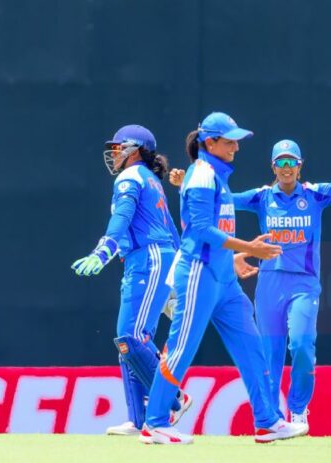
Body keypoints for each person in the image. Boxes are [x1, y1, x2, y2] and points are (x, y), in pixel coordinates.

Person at [141, 112, 307, 445]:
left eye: (236, 141)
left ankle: (268, 421)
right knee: (181, 348)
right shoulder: (203, 174)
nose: (236, 147)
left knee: (251, 345)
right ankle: (154, 423)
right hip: (198, 275)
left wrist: (233, 259)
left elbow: (214, 232)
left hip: (223, 278)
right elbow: (201, 230)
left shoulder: (214, 175)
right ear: (210, 142)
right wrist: (249, 247)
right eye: (230, 141)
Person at [228, 136, 331, 431]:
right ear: (273, 167)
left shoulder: (315, 195)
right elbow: (226, 200)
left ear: (300, 166)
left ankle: (298, 409)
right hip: (270, 285)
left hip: (304, 284)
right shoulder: (262, 198)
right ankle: (271, 419)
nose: (286, 167)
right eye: (281, 162)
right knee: (270, 354)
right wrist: (189, 188)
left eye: (291, 162)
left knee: (302, 345)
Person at [71, 125, 190, 436]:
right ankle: (138, 420)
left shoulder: (131, 176)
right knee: (131, 340)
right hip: (149, 259)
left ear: (136, 150)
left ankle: (174, 399)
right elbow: (170, 228)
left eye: (118, 147)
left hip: (150, 257)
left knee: (131, 337)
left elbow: (121, 218)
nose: (113, 154)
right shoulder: (150, 179)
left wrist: (103, 250)